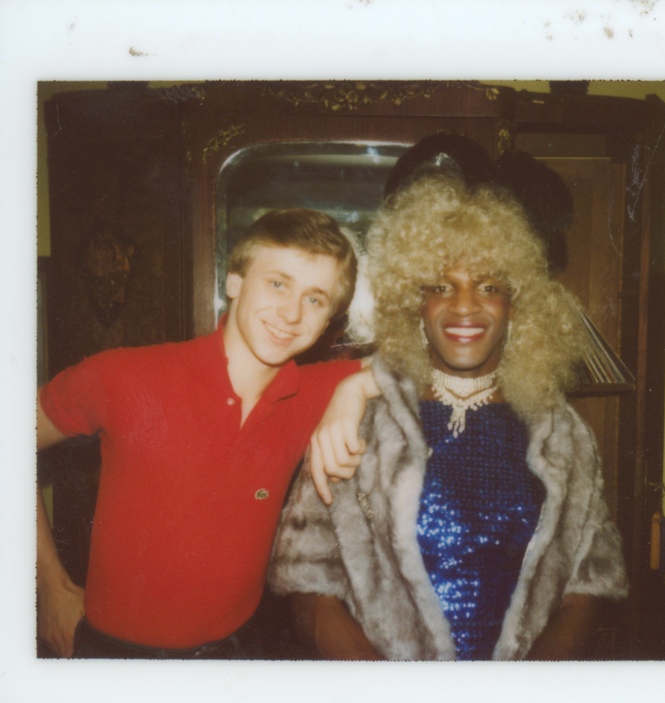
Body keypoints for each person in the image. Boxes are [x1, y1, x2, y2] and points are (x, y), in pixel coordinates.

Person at [270, 174, 628, 660]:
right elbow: (308, 582)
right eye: (442, 286)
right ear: (416, 305)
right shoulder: (362, 420)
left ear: (515, 306)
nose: (465, 306)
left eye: (488, 285)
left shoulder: (561, 434)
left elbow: (589, 581)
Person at [37, 208, 368, 659]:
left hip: (237, 656)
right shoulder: (126, 376)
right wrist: (51, 586)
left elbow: (417, 364)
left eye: (315, 299)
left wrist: (355, 388)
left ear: (329, 320)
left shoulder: (311, 392)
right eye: (277, 283)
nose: (292, 312)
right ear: (234, 281)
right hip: (117, 661)